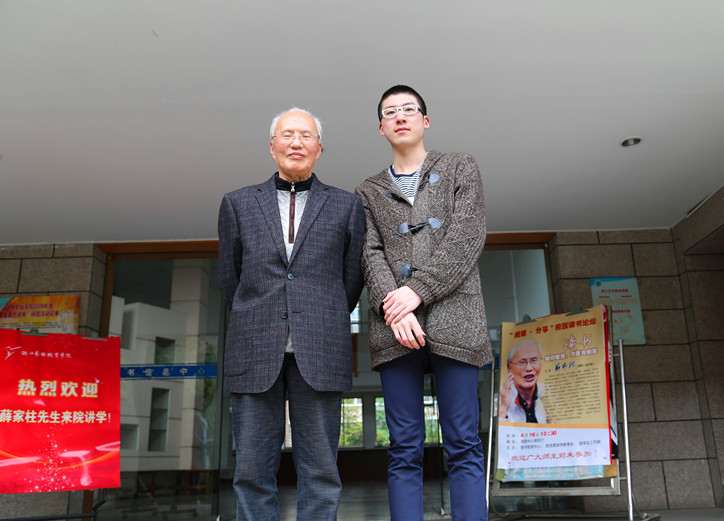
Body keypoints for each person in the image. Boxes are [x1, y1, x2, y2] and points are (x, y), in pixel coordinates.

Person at [218, 107, 365, 521]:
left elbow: (351, 280)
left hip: (320, 346)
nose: (296, 142)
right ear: (272, 147)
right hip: (253, 347)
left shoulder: (347, 205)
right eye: (287, 135)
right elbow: (231, 278)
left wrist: (318, 315)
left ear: (319, 148)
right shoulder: (237, 203)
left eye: (305, 135)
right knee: (251, 472)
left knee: (321, 472)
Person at [355, 85, 492, 521]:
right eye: (390, 112)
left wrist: (416, 292)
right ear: (380, 128)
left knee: (464, 442)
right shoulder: (366, 191)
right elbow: (370, 254)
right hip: (395, 330)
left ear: (425, 120)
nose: (400, 116)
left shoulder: (459, 167)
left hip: (457, 320)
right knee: (404, 447)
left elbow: (467, 235)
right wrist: (392, 308)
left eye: (409, 109)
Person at [499, 339, 547, 424]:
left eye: (534, 361)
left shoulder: (548, 391)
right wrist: (504, 407)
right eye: (522, 362)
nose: (529, 368)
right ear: (510, 368)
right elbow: (499, 430)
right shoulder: (502, 394)